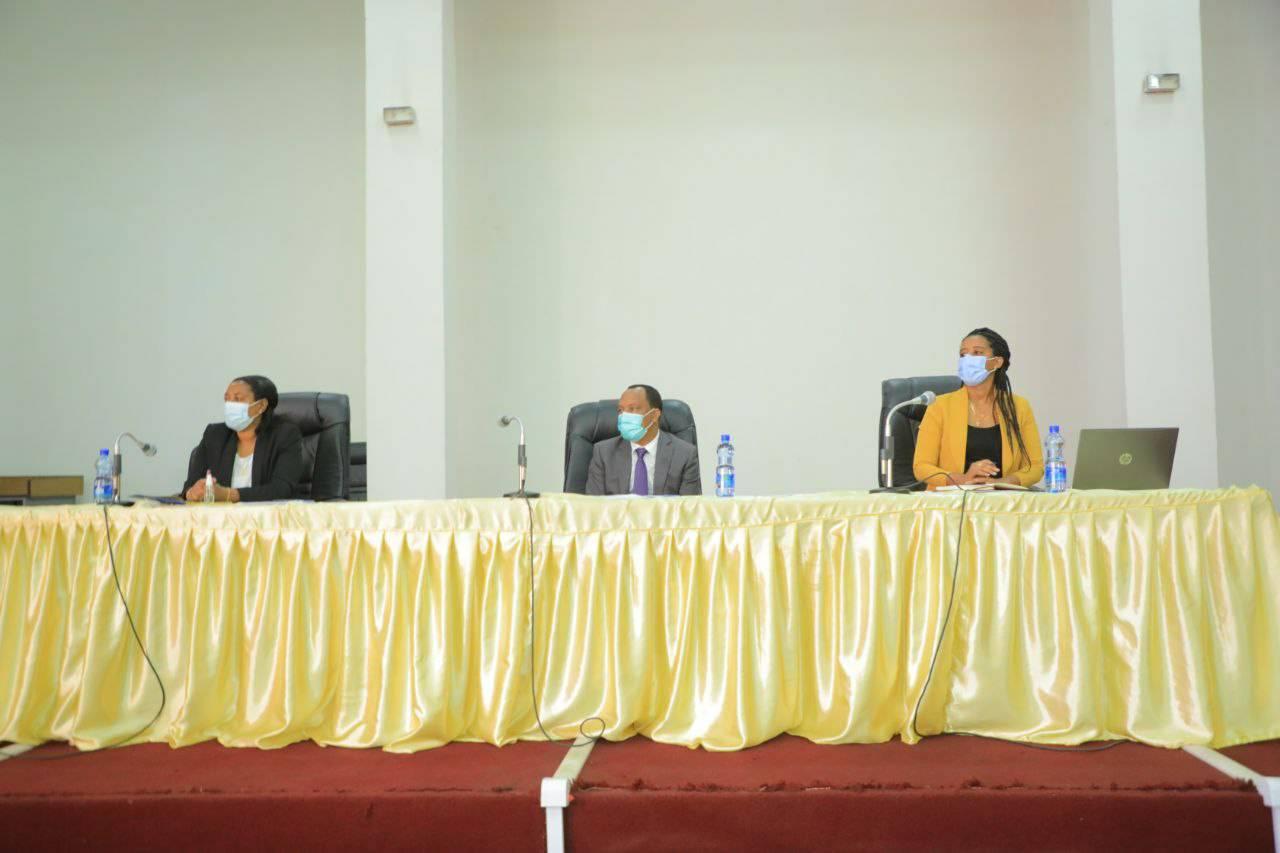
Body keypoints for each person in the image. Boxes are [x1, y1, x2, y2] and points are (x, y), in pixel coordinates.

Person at [913, 328, 1044, 489]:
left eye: (977, 353)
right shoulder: (939, 406)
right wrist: (963, 479)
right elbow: (921, 467)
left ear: (997, 362)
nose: (968, 359)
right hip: (951, 500)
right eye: (963, 355)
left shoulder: (1019, 407)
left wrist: (1002, 482)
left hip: (1003, 499)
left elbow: (1035, 467)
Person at [183, 375, 303, 502]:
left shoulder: (284, 435)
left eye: (237, 399)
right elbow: (189, 486)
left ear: (261, 405)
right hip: (220, 514)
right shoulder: (214, 435)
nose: (230, 405)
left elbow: (281, 490)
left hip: (266, 513)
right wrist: (192, 493)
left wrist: (228, 495)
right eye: (227, 399)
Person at [586, 384, 701, 496]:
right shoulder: (603, 452)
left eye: (632, 409)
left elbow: (689, 506)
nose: (624, 416)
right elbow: (594, 504)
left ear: (654, 415)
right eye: (620, 410)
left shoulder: (685, 454)